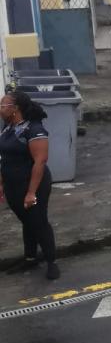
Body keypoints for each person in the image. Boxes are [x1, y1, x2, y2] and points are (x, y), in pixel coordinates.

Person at [0, 91, 58, 280]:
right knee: (27, 221)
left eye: (3, 105)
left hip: (33, 184)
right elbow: (5, 159)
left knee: (38, 221)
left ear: (15, 109)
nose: (0, 109)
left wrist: (31, 193)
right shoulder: (7, 128)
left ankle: (52, 262)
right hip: (12, 184)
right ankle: (30, 257)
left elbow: (40, 162)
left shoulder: (34, 130)